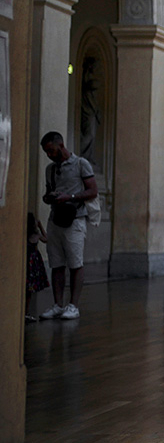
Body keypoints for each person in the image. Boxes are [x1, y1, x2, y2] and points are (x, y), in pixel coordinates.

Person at [39, 131, 98, 321]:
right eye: (46, 152)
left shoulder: (81, 164)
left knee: (75, 263)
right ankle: (58, 305)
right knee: (56, 263)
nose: (49, 155)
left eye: (51, 150)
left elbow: (93, 191)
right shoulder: (50, 169)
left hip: (75, 219)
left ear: (61, 145)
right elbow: (48, 192)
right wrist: (49, 198)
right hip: (55, 218)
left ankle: (74, 305)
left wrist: (70, 197)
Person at [27, 213, 50, 322]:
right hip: (34, 262)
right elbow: (46, 239)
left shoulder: (26, 234)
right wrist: (41, 226)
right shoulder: (36, 234)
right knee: (30, 291)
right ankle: (26, 312)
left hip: (28, 261)